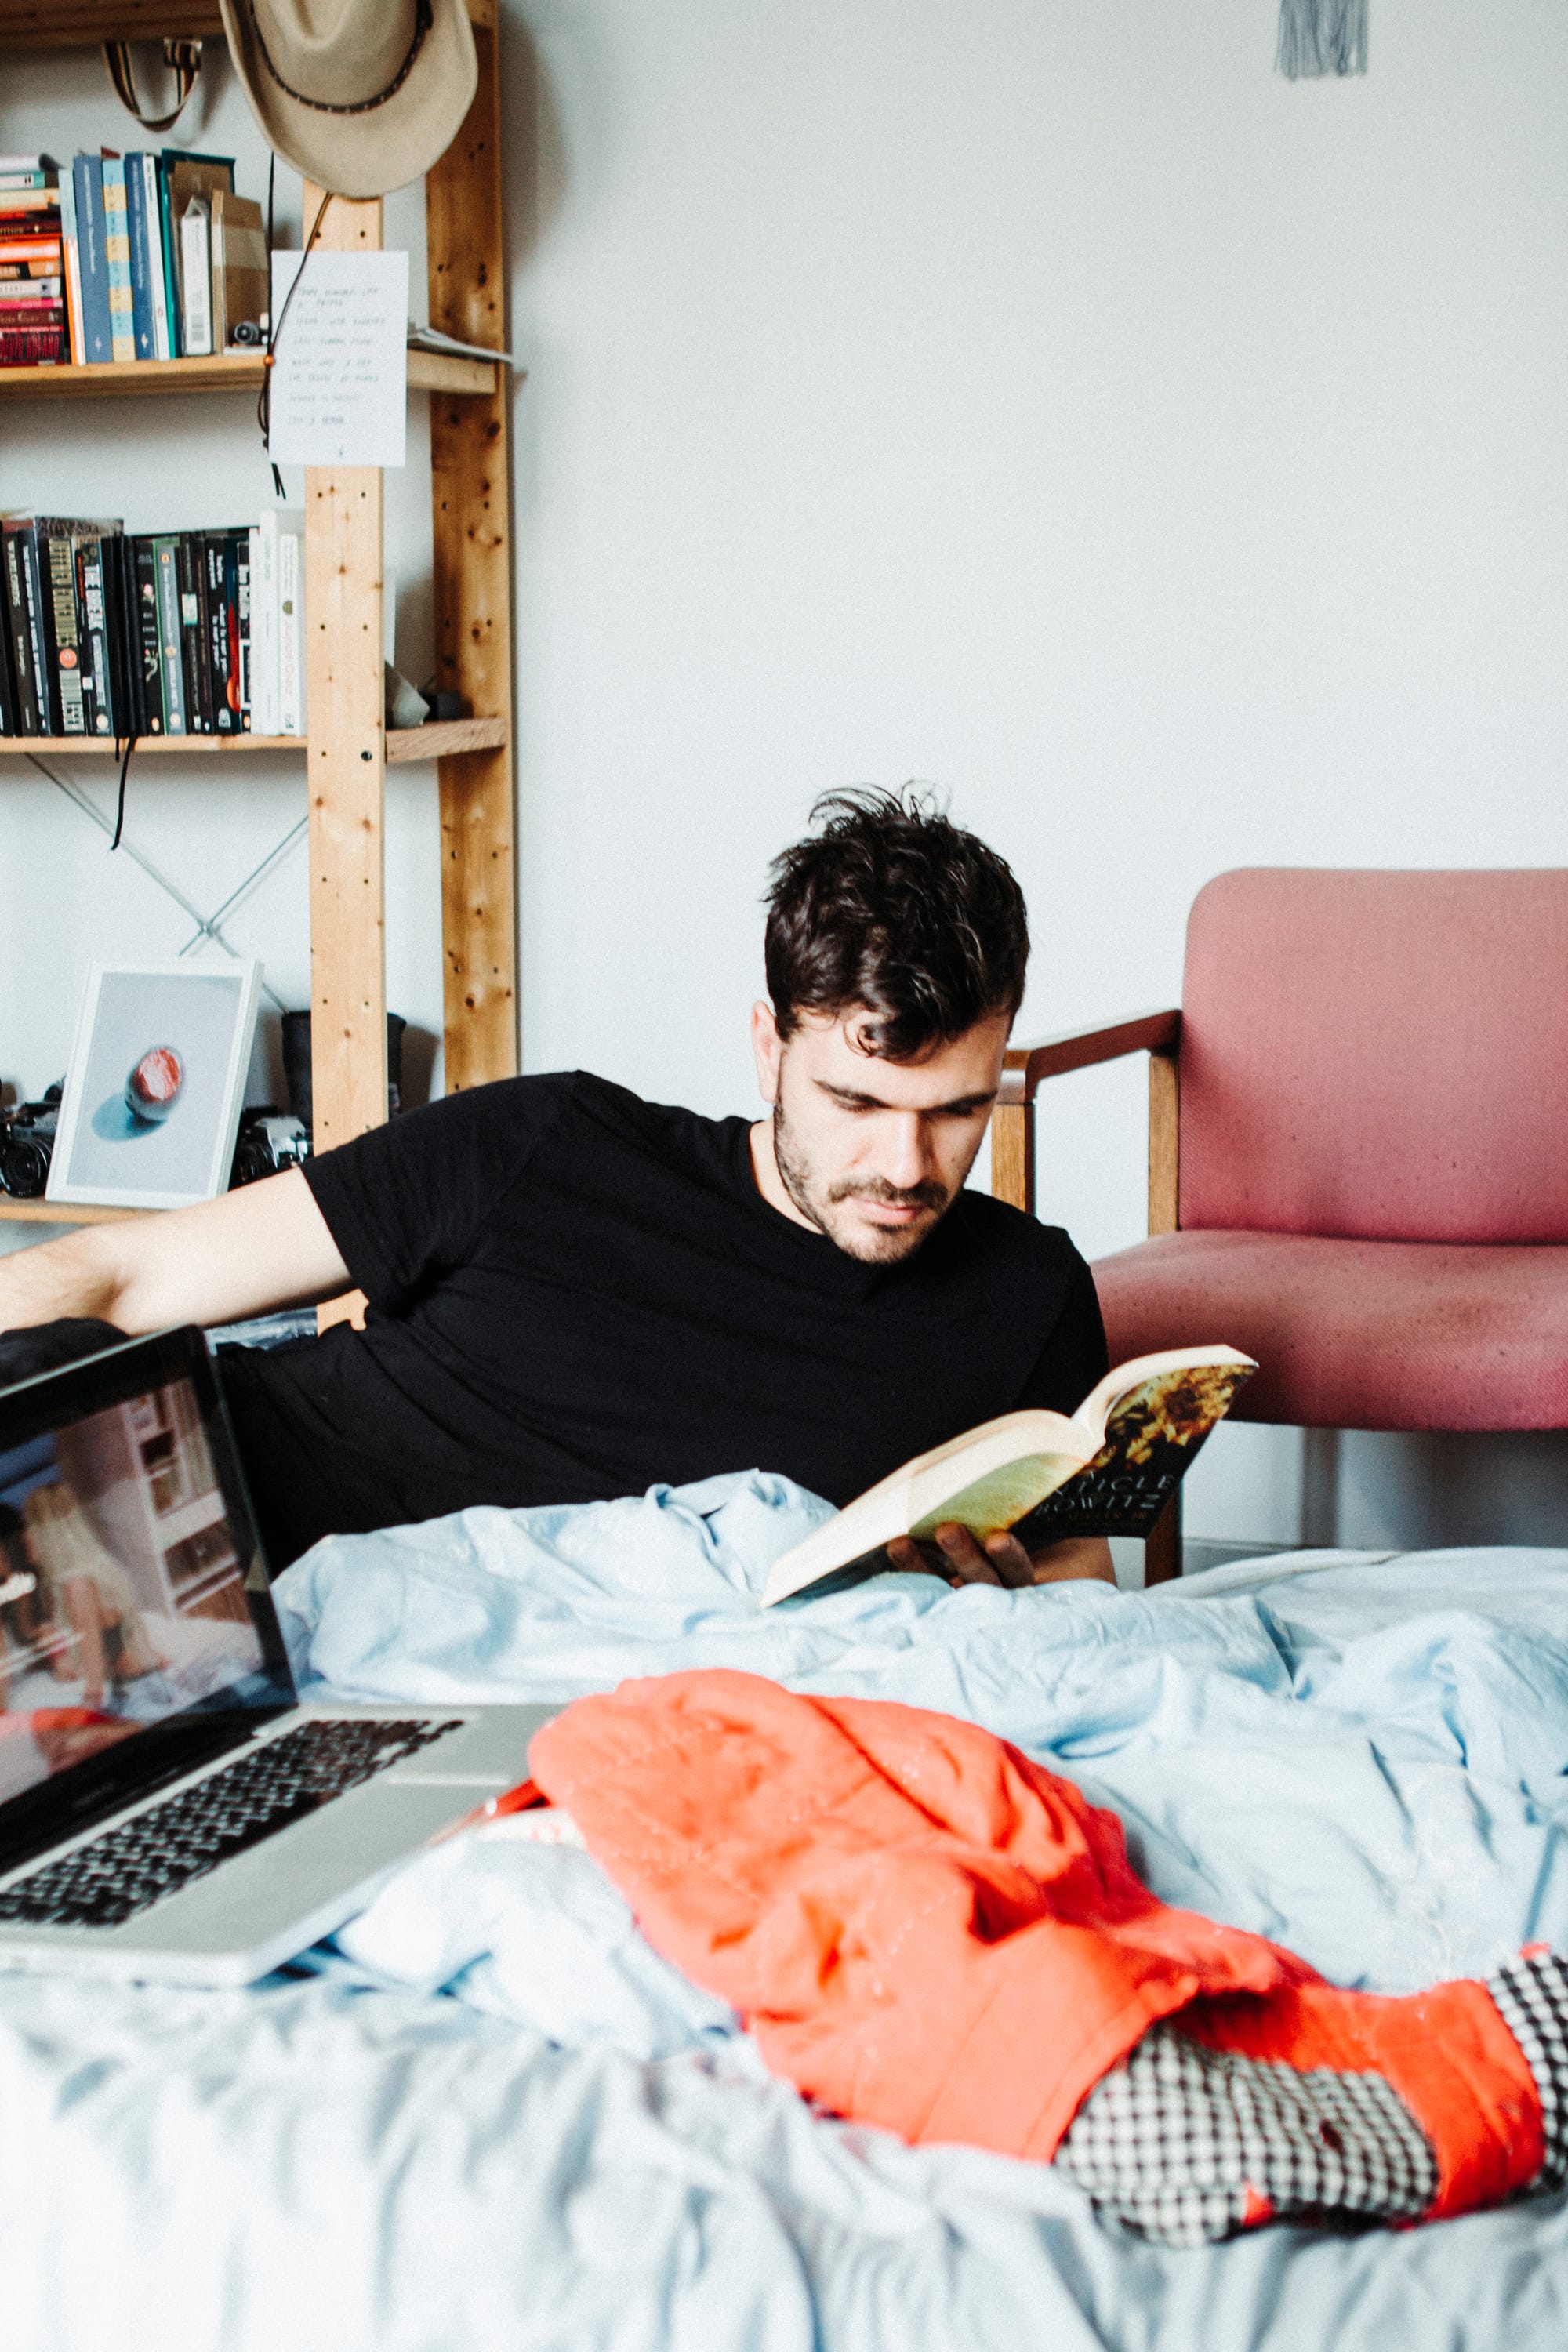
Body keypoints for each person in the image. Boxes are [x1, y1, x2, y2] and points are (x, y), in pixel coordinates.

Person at [0, 791, 1113, 1588]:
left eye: (957, 1111)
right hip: (191, 1509)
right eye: (859, 1105)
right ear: (769, 1048)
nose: (909, 1168)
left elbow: (1081, 1587)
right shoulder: (542, 1143)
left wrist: (1003, 1595)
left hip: (442, 1662)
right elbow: (126, 1275)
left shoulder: (1027, 1297)